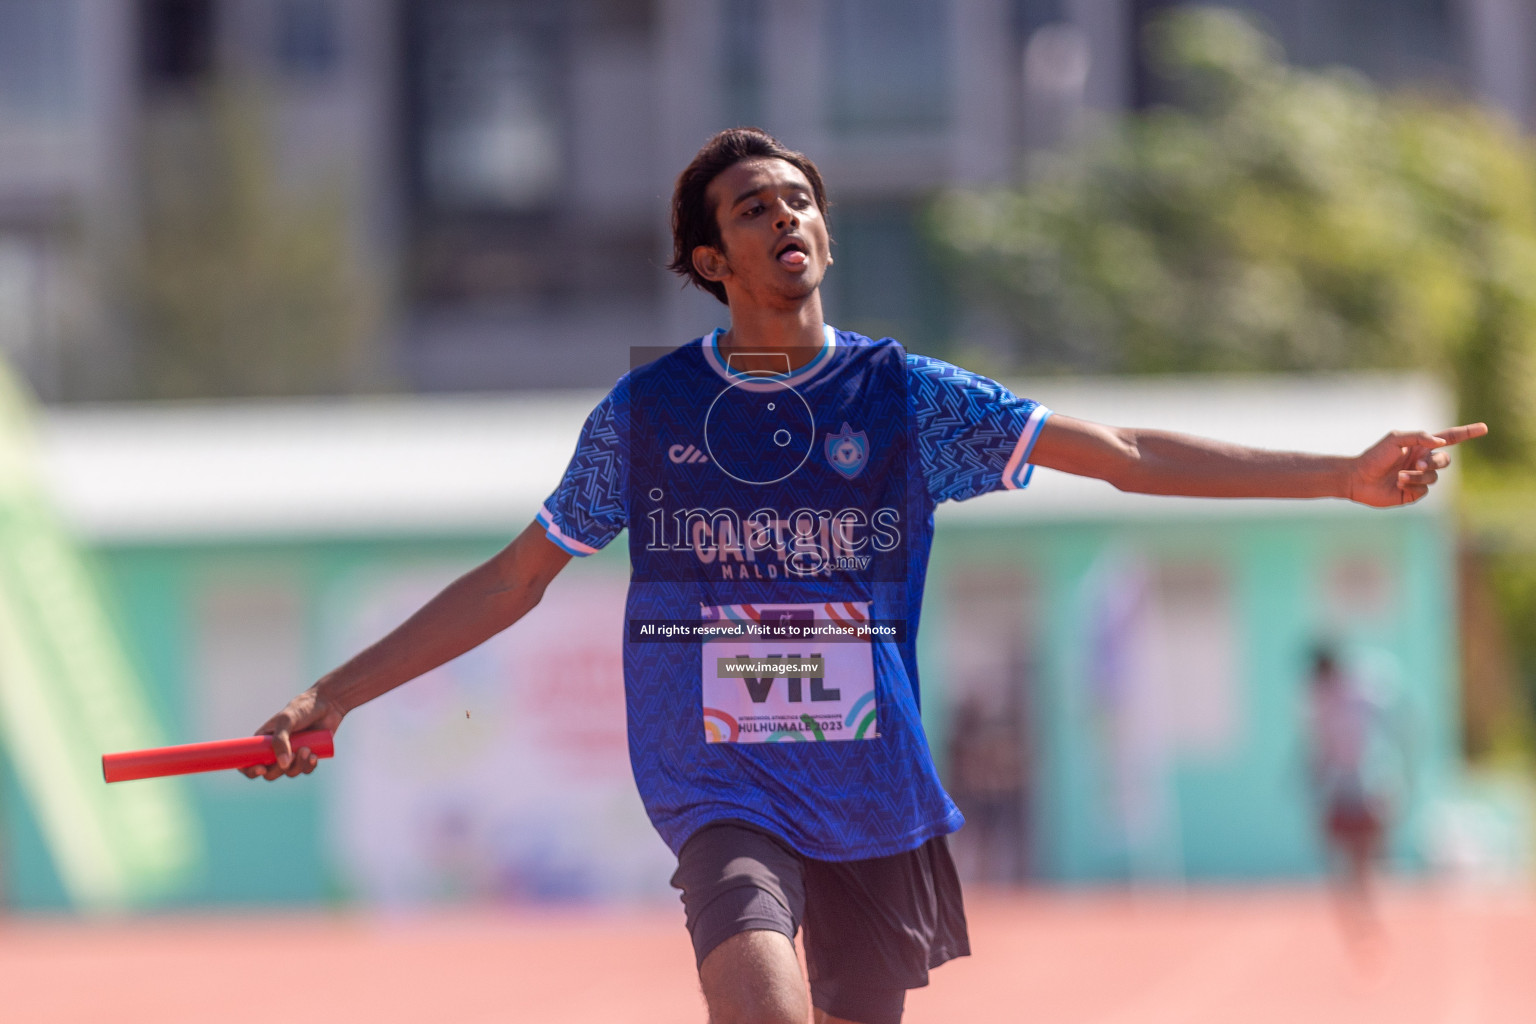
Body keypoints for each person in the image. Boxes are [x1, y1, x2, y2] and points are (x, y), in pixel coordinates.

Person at [245, 127, 1484, 1024]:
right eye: (751, 208)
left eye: (798, 199)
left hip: (871, 786)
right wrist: (333, 694)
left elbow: (1123, 454)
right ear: (710, 259)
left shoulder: (907, 396)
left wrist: (1341, 474)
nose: (785, 216)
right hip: (718, 781)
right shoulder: (652, 413)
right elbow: (518, 576)